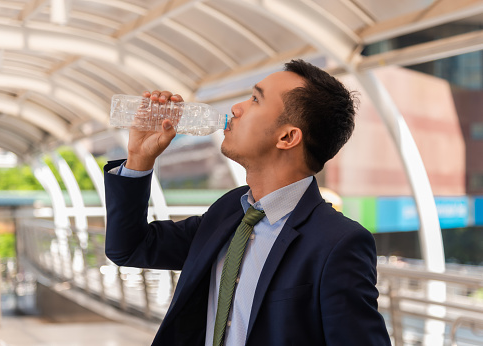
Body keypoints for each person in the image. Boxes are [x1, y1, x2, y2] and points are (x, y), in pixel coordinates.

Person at [104, 59, 391, 345]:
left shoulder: (337, 243)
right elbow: (129, 248)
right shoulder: (230, 210)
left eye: (255, 99)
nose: (236, 108)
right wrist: (140, 160)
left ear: (288, 137)